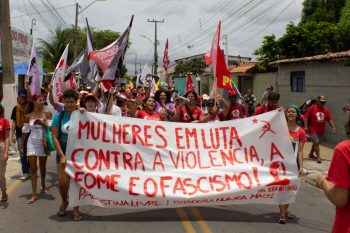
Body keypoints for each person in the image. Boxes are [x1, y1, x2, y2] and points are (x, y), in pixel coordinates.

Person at [315, 105, 350, 233]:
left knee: (316, 142)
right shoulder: (312, 109)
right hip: (315, 131)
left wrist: (322, 181)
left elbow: (340, 200)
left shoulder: (344, 150)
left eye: (347, 109)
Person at [51, 89, 82, 221]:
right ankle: (65, 201)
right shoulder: (59, 117)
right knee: (63, 182)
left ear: (76, 102)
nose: (69, 104)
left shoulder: (81, 115)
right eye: (67, 101)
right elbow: (54, 136)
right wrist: (61, 155)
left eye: (72, 102)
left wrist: (85, 113)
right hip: (63, 149)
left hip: (78, 151)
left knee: (76, 182)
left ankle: (76, 208)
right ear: (63, 101)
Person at [277, 105, 306, 224]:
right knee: (280, 190)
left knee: (289, 190)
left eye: (293, 112)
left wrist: (302, 166)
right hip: (280, 165)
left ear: (297, 115)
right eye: (289, 111)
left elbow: (300, 151)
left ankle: (285, 210)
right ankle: (282, 214)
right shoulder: (280, 128)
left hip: (293, 166)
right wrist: (277, 112)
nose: (291, 113)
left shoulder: (301, 132)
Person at [21, 94, 51, 204]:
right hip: (31, 143)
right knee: (33, 168)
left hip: (43, 143)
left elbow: (52, 128)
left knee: (43, 167)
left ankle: (43, 184)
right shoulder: (28, 116)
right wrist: (21, 146)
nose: (42, 102)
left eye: (43, 100)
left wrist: (43, 123)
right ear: (34, 101)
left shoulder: (47, 113)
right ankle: (34, 194)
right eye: (39, 100)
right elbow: (25, 131)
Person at [304, 95, 336, 163]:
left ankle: (311, 154)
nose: (323, 104)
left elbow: (329, 119)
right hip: (312, 129)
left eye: (324, 102)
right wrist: (306, 126)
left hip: (321, 131)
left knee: (316, 143)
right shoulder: (312, 108)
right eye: (321, 102)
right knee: (316, 142)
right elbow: (306, 117)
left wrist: (333, 127)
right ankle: (318, 157)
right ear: (317, 101)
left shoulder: (326, 110)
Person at [10, 91, 30, 180]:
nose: (23, 99)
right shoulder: (16, 108)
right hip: (19, 134)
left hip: (29, 133)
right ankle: (25, 171)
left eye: (25, 97)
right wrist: (12, 135)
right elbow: (14, 122)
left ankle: (29, 167)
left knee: (29, 152)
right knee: (22, 152)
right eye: (21, 97)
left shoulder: (29, 107)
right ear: (19, 97)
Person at [0, 103, 10, 202]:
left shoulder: (5, 121)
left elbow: (7, 138)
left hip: (1, 147)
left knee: (1, 175)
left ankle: (4, 192)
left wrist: (6, 152)